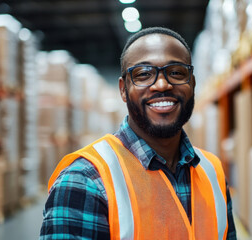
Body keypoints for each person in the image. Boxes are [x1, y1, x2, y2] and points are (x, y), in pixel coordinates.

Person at [40, 27, 237, 240]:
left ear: (193, 83)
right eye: (144, 74)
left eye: (176, 72)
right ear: (123, 90)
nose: (162, 84)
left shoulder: (212, 172)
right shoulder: (84, 181)